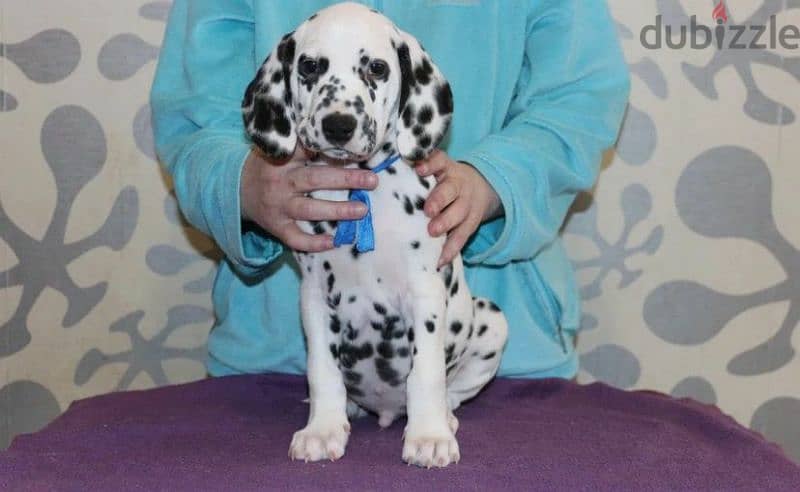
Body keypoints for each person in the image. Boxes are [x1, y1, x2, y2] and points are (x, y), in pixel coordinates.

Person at [150, 1, 630, 380]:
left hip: (496, 359)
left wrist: (494, 182)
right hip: (273, 351)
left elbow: (581, 96)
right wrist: (242, 183)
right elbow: (193, 114)